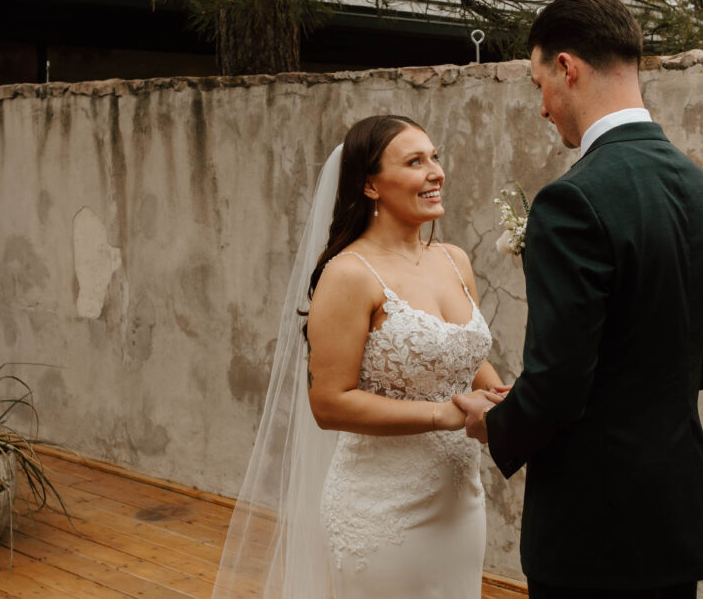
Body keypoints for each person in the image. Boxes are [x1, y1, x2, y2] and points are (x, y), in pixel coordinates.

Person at [455, 0, 703, 598]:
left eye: (538, 84)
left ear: (566, 67)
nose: (542, 108)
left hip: (591, 529)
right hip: (671, 517)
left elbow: (559, 383)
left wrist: (497, 420)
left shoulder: (573, 199)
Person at [213, 115, 504, 598]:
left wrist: (502, 396)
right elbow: (328, 403)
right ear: (370, 185)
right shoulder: (350, 274)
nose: (436, 172)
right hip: (382, 512)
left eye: (434, 157)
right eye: (415, 161)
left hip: (461, 501)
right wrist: (441, 415)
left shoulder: (455, 259)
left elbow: (465, 357)